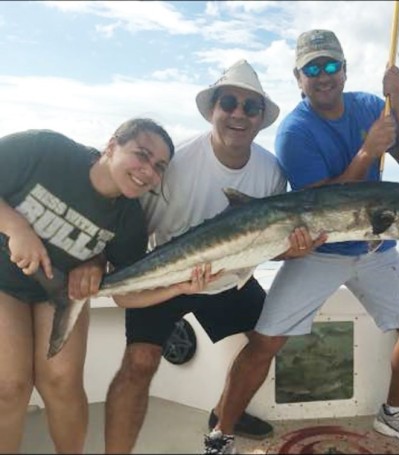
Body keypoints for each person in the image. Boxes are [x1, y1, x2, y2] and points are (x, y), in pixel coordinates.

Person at [205, 29, 399, 454]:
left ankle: (393, 412)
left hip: (374, 245)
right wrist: (367, 152)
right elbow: (324, 203)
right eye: (312, 68)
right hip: (318, 251)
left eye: (331, 65)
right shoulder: (294, 131)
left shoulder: (372, 105)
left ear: (345, 70)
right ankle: (220, 432)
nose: (323, 74)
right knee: (265, 343)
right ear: (299, 78)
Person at [103, 59, 322, 454]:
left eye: (250, 107)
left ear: (260, 118)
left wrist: (293, 251)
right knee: (139, 363)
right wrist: (118, 273)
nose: (238, 114)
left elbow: (269, 241)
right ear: (213, 110)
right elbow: (138, 225)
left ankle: (223, 418)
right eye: (229, 103)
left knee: (268, 341)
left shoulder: (271, 173)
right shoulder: (176, 163)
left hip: (228, 277)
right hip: (168, 272)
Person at [0, 118, 175, 453]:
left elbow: (124, 293)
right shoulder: (46, 150)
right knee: (10, 386)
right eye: (141, 154)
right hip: (3, 282)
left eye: (159, 167)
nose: (148, 171)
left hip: (59, 293)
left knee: (62, 382)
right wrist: (16, 228)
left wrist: (183, 287)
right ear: (111, 145)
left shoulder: (129, 219)